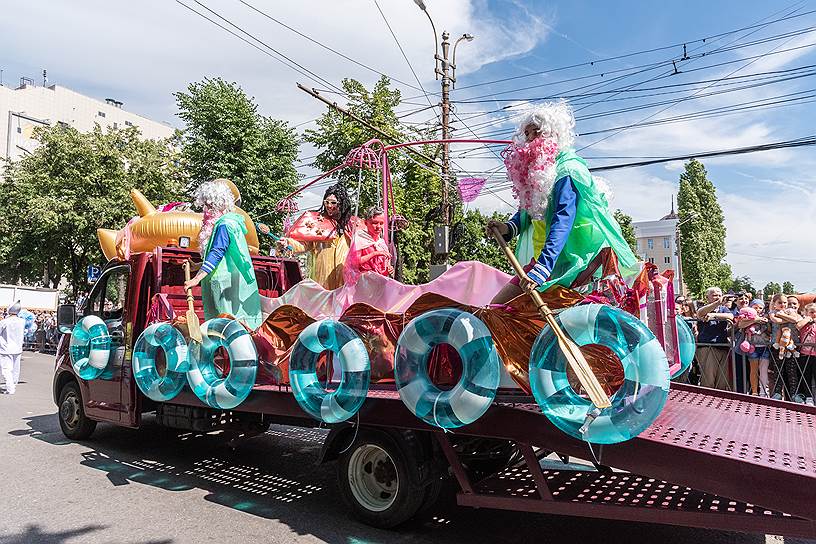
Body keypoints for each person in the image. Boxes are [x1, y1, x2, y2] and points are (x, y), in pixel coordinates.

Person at [485, 101, 638, 304]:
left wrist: (542, 269)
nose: (529, 139)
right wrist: (508, 228)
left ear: (553, 135)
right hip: (548, 262)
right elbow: (529, 213)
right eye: (527, 134)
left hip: (576, 264)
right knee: (500, 310)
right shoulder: (540, 173)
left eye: (536, 132)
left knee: (502, 308)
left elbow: (562, 220)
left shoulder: (568, 170)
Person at [183, 179, 263, 330]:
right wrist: (198, 266)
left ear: (217, 204)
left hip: (224, 287)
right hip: (226, 285)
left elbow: (217, 253)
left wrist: (196, 279)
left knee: (223, 328)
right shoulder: (229, 223)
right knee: (226, 327)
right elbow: (226, 258)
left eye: (208, 205)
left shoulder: (224, 224)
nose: (205, 210)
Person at [279, 184, 354, 290]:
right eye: (326, 202)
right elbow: (304, 244)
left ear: (342, 204)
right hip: (321, 282)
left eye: (333, 203)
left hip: (344, 282)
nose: (329, 206)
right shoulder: (317, 223)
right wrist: (288, 243)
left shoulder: (351, 226)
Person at [695, 286, 735, 390]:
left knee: (722, 381)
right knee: (708, 379)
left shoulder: (723, 309)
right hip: (707, 346)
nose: (717, 297)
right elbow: (700, 313)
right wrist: (717, 303)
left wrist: (713, 315)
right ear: (707, 297)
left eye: (719, 295)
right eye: (714, 295)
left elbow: (731, 317)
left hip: (722, 346)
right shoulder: (704, 308)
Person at [344, 206, 393, 285]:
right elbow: (354, 262)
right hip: (362, 284)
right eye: (375, 223)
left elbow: (381, 269)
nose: (378, 227)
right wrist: (375, 253)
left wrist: (388, 270)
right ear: (366, 223)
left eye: (381, 223)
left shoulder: (382, 243)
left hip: (378, 285)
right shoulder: (360, 238)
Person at [768, 293, 802, 402]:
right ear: (774, 304)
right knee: (778, 371)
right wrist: (787, 318)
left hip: (791, 346)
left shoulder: (790, 311)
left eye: (784, 302)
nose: (783, 304)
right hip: (777, 346)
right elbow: (776, 321)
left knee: (791, 371)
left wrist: (781, 315)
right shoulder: (772, 312)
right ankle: (777, 393)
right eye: (780, 302)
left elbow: (795, 320)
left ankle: (794, 394)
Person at [737, 299, 771, 396]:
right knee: (754, 369)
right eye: (755, 307)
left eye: (760, 308)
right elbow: (741, 325)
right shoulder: (747, 318)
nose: (758, 309)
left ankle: (764, 391)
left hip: (764, 346)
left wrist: (766, 322)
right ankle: (755, 391)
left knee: (764, 370)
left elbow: (769, 330)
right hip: (752, 347)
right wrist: (755, 320)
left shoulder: (766, 317)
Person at [0, 302, 26, 395]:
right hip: (17, 348)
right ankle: (12, 385)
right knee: (15, 369)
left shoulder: (4, 322)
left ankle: (10, 388)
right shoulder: (22, 321)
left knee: (6, 369)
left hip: (5, 348)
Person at [796, 303, 816, 404]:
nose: (814, 314)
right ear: (807, 313)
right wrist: (808, 319)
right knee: (806, 376)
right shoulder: (804, 322)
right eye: (812, 312)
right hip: (805, 354)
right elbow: (798, 326)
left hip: (815, 355)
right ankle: (808, 397)